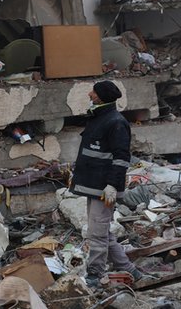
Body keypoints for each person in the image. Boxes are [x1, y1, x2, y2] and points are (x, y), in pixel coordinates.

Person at [70, 80, 141, 287]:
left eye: (93, 91)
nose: (89, 94)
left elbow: (121, 157)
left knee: (97, 234)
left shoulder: (116, 122)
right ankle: (129, 270)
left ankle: (95, 275)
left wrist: (112, 185)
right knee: (101, 232)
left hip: (104, 189)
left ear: (100, 96)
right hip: (94, 186)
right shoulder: (99, 117)